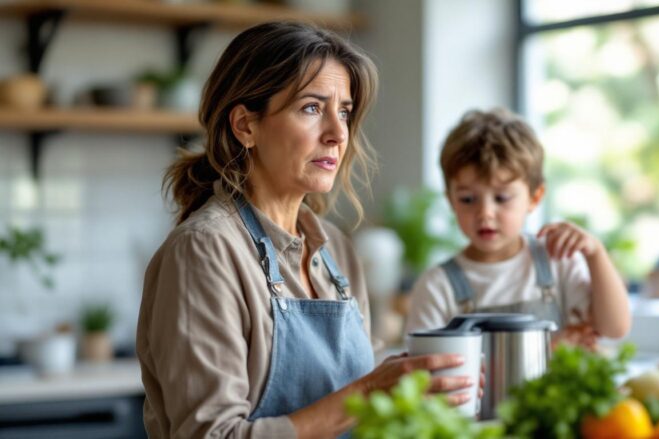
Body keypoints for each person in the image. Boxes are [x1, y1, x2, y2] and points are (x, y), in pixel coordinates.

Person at [136, 22, 476, 439]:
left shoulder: (338, 251)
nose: (337, 135)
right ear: (245, 125)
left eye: (345, 112)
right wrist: (369, 390)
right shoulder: (204, 251)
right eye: (312, 108)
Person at [404, 108, 631, 347]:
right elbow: (426, 368)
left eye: (501, 198)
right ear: (450, 200)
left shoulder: (557, 259)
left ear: (535, 197)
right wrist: (551, 348)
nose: (485, 213)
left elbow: (614, 328)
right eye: (468, 199)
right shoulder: (436, 286)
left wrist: (595, 254)